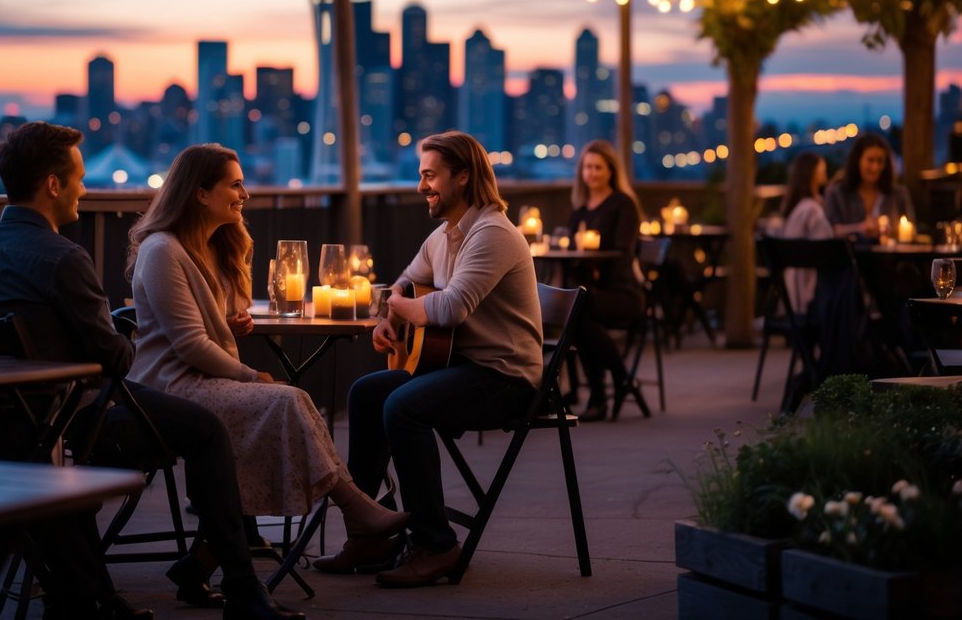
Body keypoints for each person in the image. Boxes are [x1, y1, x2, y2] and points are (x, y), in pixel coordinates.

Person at [0, 122, 303, 620]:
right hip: (73, 420)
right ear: (53, 185)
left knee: (200, 422)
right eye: (79, 178)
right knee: (207, 429)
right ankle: (241, 589)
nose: (84, 189)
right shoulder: (63, 258)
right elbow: (115, 360)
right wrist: (118, 331)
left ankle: (105, 593)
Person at [126, 145, 408, 548]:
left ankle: (211, 555)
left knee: (287, 401)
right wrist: (250, 374)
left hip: (204, 381)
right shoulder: (162, 251)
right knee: (284, 401)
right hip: (169, 389)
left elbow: (195, 324)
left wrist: (224, 322)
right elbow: (188, 345)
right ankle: (355, 509)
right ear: (201, 193)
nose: (245, 195)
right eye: (235, 185)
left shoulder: (211, 246)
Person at [316, 131, 543, 587]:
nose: (422, 186)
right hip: (461, 367)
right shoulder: (444, 235)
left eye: (430, 176)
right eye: (421, 176)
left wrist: (398, 308)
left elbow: (450, 308)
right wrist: (389, 314)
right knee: (365, 394)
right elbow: (403, 282)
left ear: (463, 177)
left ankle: (436, 544)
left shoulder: (492, 233)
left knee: (404, 407)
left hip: (505, 376)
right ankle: (368, 533)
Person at [565, 140, 649, 422]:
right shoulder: (579, 211)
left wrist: (595, 261)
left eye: (598, 167)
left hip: (623, 293)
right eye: (587, 167)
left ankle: (605, 386)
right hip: (591, 294)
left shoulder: (623, 205)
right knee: (574, 309)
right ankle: (607, 386)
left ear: (611, 171)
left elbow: (624, 253)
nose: (592, 173)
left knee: (578, 310)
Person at [823, 133, 915, 241]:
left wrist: (890, 231)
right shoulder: (837, 193)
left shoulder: (898, 194)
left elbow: (911, 230)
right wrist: (860, 228)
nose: (875, 167)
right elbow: (829, 231)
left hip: (891, 256)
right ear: (858, 161)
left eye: (880, 161)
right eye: (870, 160)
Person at [778, 151, 833, 314]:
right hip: (809, 288)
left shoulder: (796, 208)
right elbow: (826, 247)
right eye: (822, 170)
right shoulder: (812, 210)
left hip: (792, 288)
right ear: (813, 173)